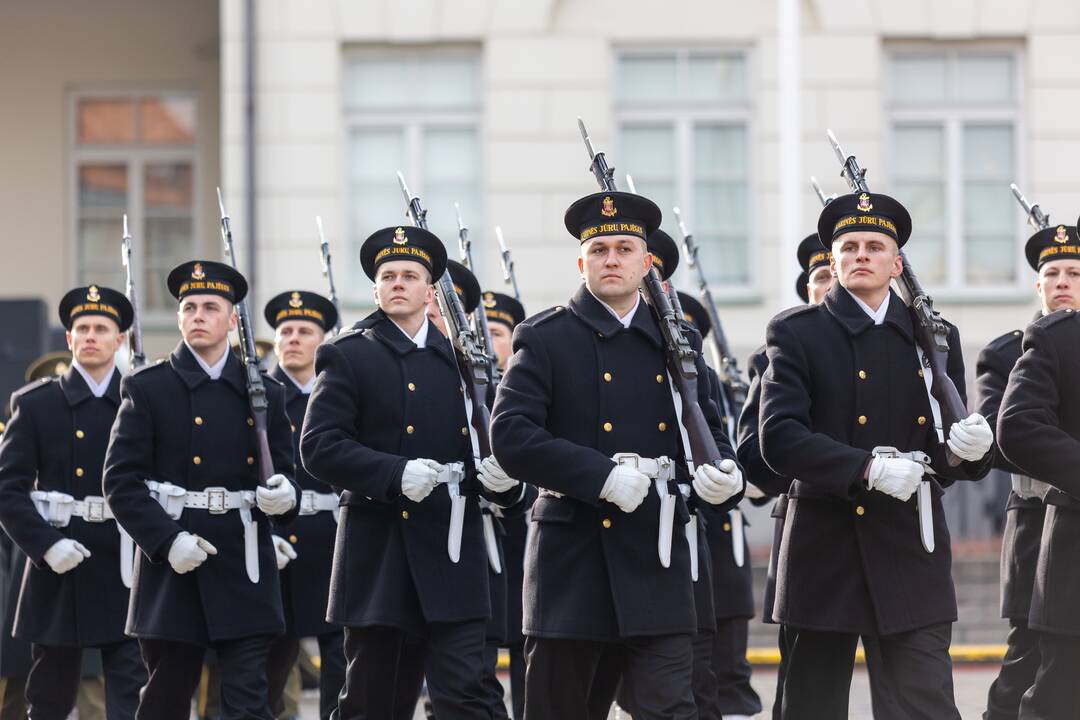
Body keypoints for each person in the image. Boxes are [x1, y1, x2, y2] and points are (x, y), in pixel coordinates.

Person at [491, 191, 743, 720]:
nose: (612, 259)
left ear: (647, 262)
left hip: (657, 555)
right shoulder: (545, 336)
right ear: (581, 263)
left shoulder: (679, 340)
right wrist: (599, 476)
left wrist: (723, 473)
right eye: (600, 249)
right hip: (573, 561)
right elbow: (511, 434)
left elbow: (707, 426)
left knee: (672, 708)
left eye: (625, 248)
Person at [758, 191, 993, 719]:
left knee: (923, 702)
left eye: (874, 246)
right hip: (824, 549)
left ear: (896, 262)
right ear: (835, 259)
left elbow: (944, 448)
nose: (861, 254)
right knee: (811, 706)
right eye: (849, 246)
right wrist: (865, 468)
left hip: (909, 547)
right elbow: (779, 437)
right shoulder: (797, 332)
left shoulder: (934, 334)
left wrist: (972, 452)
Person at [301, 227, 523, 719]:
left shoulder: (465, 360)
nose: (398, 283)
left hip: (454, 552)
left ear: (431, 290)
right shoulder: (349, 353)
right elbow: (318, 447)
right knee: (373, 702)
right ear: (376, 290)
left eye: (410, 276)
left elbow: (493, 441)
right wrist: (394, 473)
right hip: (381, 555)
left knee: (468, 694)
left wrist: (506, 480)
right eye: (388, 276)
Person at [103, 260, 300, 720]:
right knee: (166, 697)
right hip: (176, 561)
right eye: (189, 307)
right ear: (178, 318)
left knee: (249, 701)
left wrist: (285, 496)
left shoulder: (264, 391)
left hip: (243, 559)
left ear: (231, 320)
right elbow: (120, 480)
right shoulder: (148, 387)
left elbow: (287, 469)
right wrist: (166, 540)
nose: (197, 315)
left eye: (210, 307)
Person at [0, 285, 146, 719]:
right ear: (68, 339)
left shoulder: (141, 400)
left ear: (119, 339)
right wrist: (44, 545)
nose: (90, 336)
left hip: (124, 560)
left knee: (131, 694)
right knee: (48, 696)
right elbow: (7, 488)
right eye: (81, 328)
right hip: (59, 560)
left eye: (102, 328)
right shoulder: (37, 404)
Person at [995, 222, 1080, 720]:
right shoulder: (1053, 339)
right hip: (1063, 542)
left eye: (1075, 271)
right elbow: (1016, 428)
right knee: (1052, 695)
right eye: (1055, 272)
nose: (1065, 281)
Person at [262, 290, 344, 720]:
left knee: (342, 665)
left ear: (323, 340)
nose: (293, 339)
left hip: (332, 542)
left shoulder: (339, 393)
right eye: (285, 331)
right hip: (276, 543)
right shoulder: (257, 396)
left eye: (304, 331)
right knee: (268, 669)